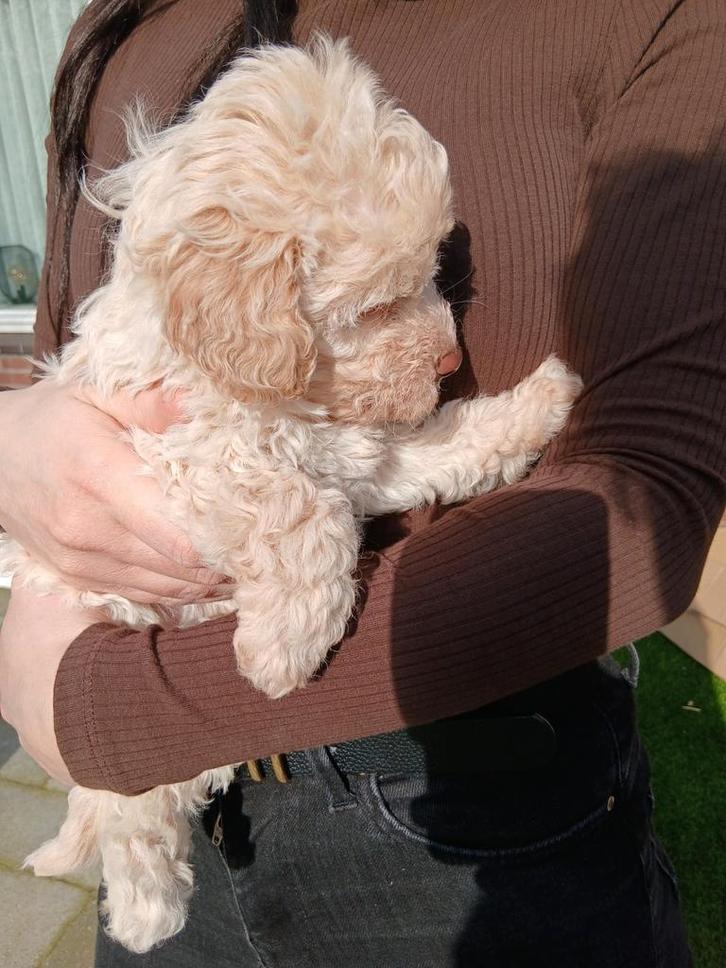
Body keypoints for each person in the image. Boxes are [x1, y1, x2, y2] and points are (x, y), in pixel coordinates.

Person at [1, 0, 724, 964]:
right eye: (380, 307)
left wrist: (111, 711)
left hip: (457, 806)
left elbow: (649, 494)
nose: (444, 346)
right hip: (171, 821)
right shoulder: (130, 18)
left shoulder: (656, 21)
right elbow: (57, 349)